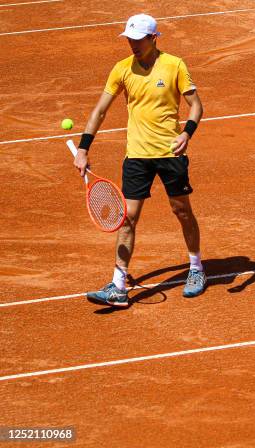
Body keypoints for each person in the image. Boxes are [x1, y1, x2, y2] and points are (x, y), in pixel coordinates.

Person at [74, 14, 205, 307]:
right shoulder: (122, 69)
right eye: (129, 39)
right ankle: (118, 285)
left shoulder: (174, 65)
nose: (132, 44)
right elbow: (100, 111)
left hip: (170, 153)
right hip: (136, 156)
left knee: (182, 211)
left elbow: (196, 105)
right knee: (127, 219)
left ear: (153, 38)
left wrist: (187, 133)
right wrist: (84, 148)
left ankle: (196, 268)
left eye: (138, 39)